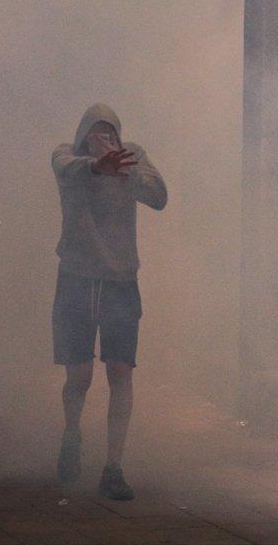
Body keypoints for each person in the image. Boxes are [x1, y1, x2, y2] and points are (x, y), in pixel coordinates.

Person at [50, 103, 167, 501]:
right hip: (77, 278)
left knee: (121, 374)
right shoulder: (68, 155)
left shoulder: (133, 156)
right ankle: (71, 434)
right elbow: (67, 169)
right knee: (79, 377)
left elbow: (159, 196)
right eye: (95, 132)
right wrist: (96, 165)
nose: (104, 139)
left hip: (121, 279)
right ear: (83, 133)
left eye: (109, 132)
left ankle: (113, 467)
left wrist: (126, 169)